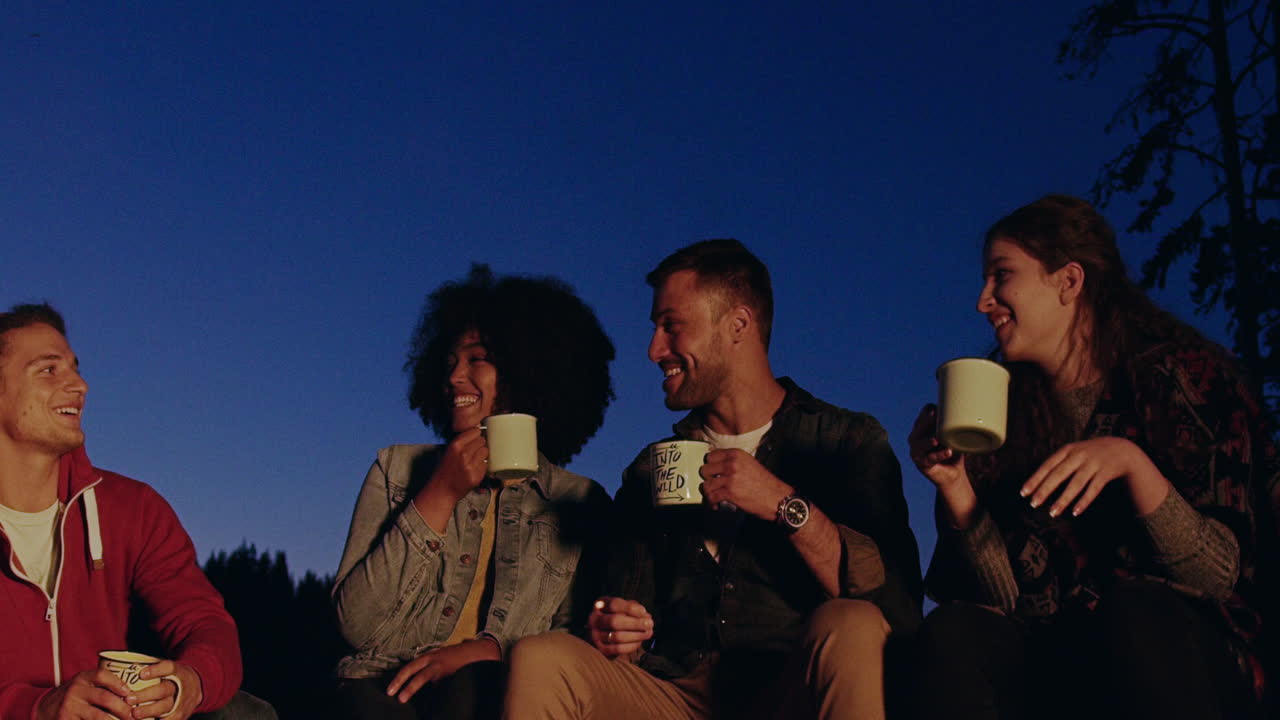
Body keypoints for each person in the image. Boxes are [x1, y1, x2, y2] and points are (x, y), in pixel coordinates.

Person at [504, 239, 923, 720]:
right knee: (542, 658)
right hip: (677, 697)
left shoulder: (845, 440)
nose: (654, 350)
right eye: (655, 329)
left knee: (852, 621)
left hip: (792, 687)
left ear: (738, 325)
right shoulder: (649, 470)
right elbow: (622, 616)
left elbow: (897, 610)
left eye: (672, 326)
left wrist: (785, 505)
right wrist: (614, 631)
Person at [907, 195, 1280, 720]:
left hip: (1183, 652)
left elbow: (1218, 576)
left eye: (1002, 276)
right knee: (956, 631)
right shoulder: (1004, 413)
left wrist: (1133, 465)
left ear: (1069, 281)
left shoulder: (1180, 378)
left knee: (1134, 608)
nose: (983, 301)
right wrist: (955, 487)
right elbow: (1006, 602)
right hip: (1061, 657)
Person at [332, 265, 615, 720]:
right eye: (449, 363)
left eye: (477, 359)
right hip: (382, 685)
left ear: (530, 369)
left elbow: (580, 639)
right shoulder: (396, 469)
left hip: (502, 690)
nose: (455, 377)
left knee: (473, 689)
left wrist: (490, 650)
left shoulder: (580, 500)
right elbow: (356, 626)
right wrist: (439, 493)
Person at [0, 303, 276, 720]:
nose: (80, 385)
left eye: (75, 369)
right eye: (49, 370)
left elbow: (202, 620)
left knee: (242, 713)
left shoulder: (132, 509)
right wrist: (36, 710)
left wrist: (189, 682)